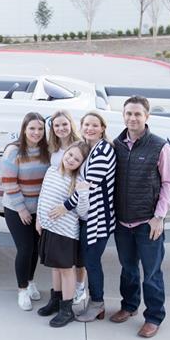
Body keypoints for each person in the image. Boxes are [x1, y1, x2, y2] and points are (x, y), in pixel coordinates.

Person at [110, 95, 170, 338]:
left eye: (138, 114)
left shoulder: (160, 146)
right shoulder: (116, 144)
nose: (132, 118)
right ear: (123, 115)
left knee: (151, 273)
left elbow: (169, 184)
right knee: (128, 268)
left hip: (148, 222)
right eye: (128, 113)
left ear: (147, 117)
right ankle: (129, 306)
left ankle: (154, 317)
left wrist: (158, 217)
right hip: (122, 221)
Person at [53, 111, 117, 322]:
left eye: (94, 125)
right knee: (87, 260)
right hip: (88, 217)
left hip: (99, 218)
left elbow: (86, 186)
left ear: (102, 128)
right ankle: (93, 302)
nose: (90, 128)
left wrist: (64, 207)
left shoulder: (104, 150)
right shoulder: (88, 148)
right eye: (86, 125)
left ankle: (97, 303)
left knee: (91, 261)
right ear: (81, 127)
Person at [35, 141, 90, 327]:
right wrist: (39, 219)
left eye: (77, 159)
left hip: (65, 232)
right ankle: (56, 300)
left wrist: (82, 195)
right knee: (55, 267)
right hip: (49, 228)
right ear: (65, 153)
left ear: (82, 163)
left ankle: (67, 310)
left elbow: (83, 213)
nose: (71, 159)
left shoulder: (78, 182)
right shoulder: (51, 171)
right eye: (70, 154)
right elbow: (43, 195)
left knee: (66, 270)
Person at [1, 112, 50, 311]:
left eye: (40, 129)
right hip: (16, 208)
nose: (36, 132)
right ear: (24, 129)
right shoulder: (13, 150)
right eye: (32, 128)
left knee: (36, 249)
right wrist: (21, 209)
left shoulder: (47, 150)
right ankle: (22, 290)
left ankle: (30, 282)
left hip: (40, 209)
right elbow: (8, 181)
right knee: (25, 248)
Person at [47, 110, 87, 306]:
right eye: (56, 125)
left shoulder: (80, 147)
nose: (61, 128)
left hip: (74, 209)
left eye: (64, 124)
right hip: (56, 215)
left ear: (71, 124)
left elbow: (84, 183)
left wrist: (68, 205)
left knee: (79, 258)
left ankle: (80, 288)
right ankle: (59, 297)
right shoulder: (53, 150)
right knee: (60, 260)